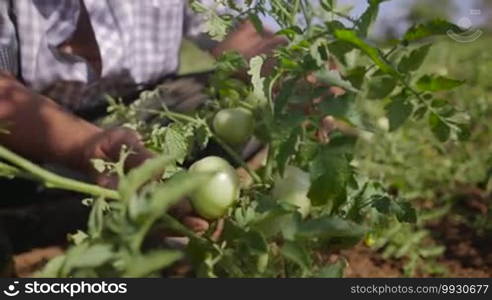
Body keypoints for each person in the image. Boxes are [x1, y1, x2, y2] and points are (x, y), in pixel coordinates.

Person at [0, 0, 285, 234]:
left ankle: (146, 204)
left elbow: (235, 31)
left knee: (233, 108)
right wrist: (83, 145)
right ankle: (50, 213)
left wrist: (297, 75)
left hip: (152, 105)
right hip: (35, 129)